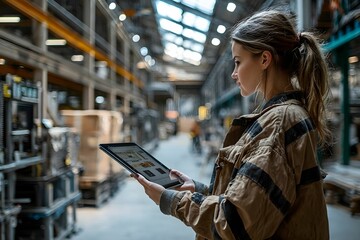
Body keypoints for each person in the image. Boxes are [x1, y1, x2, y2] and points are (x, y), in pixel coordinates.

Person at [133, 9, 330, 239]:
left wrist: (171, 200)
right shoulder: (281, 116)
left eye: (238, 62)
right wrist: (199, 190)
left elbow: (236, 223)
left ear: (265, 59)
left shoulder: (278, 123)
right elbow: (257, 200)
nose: (234, 74)